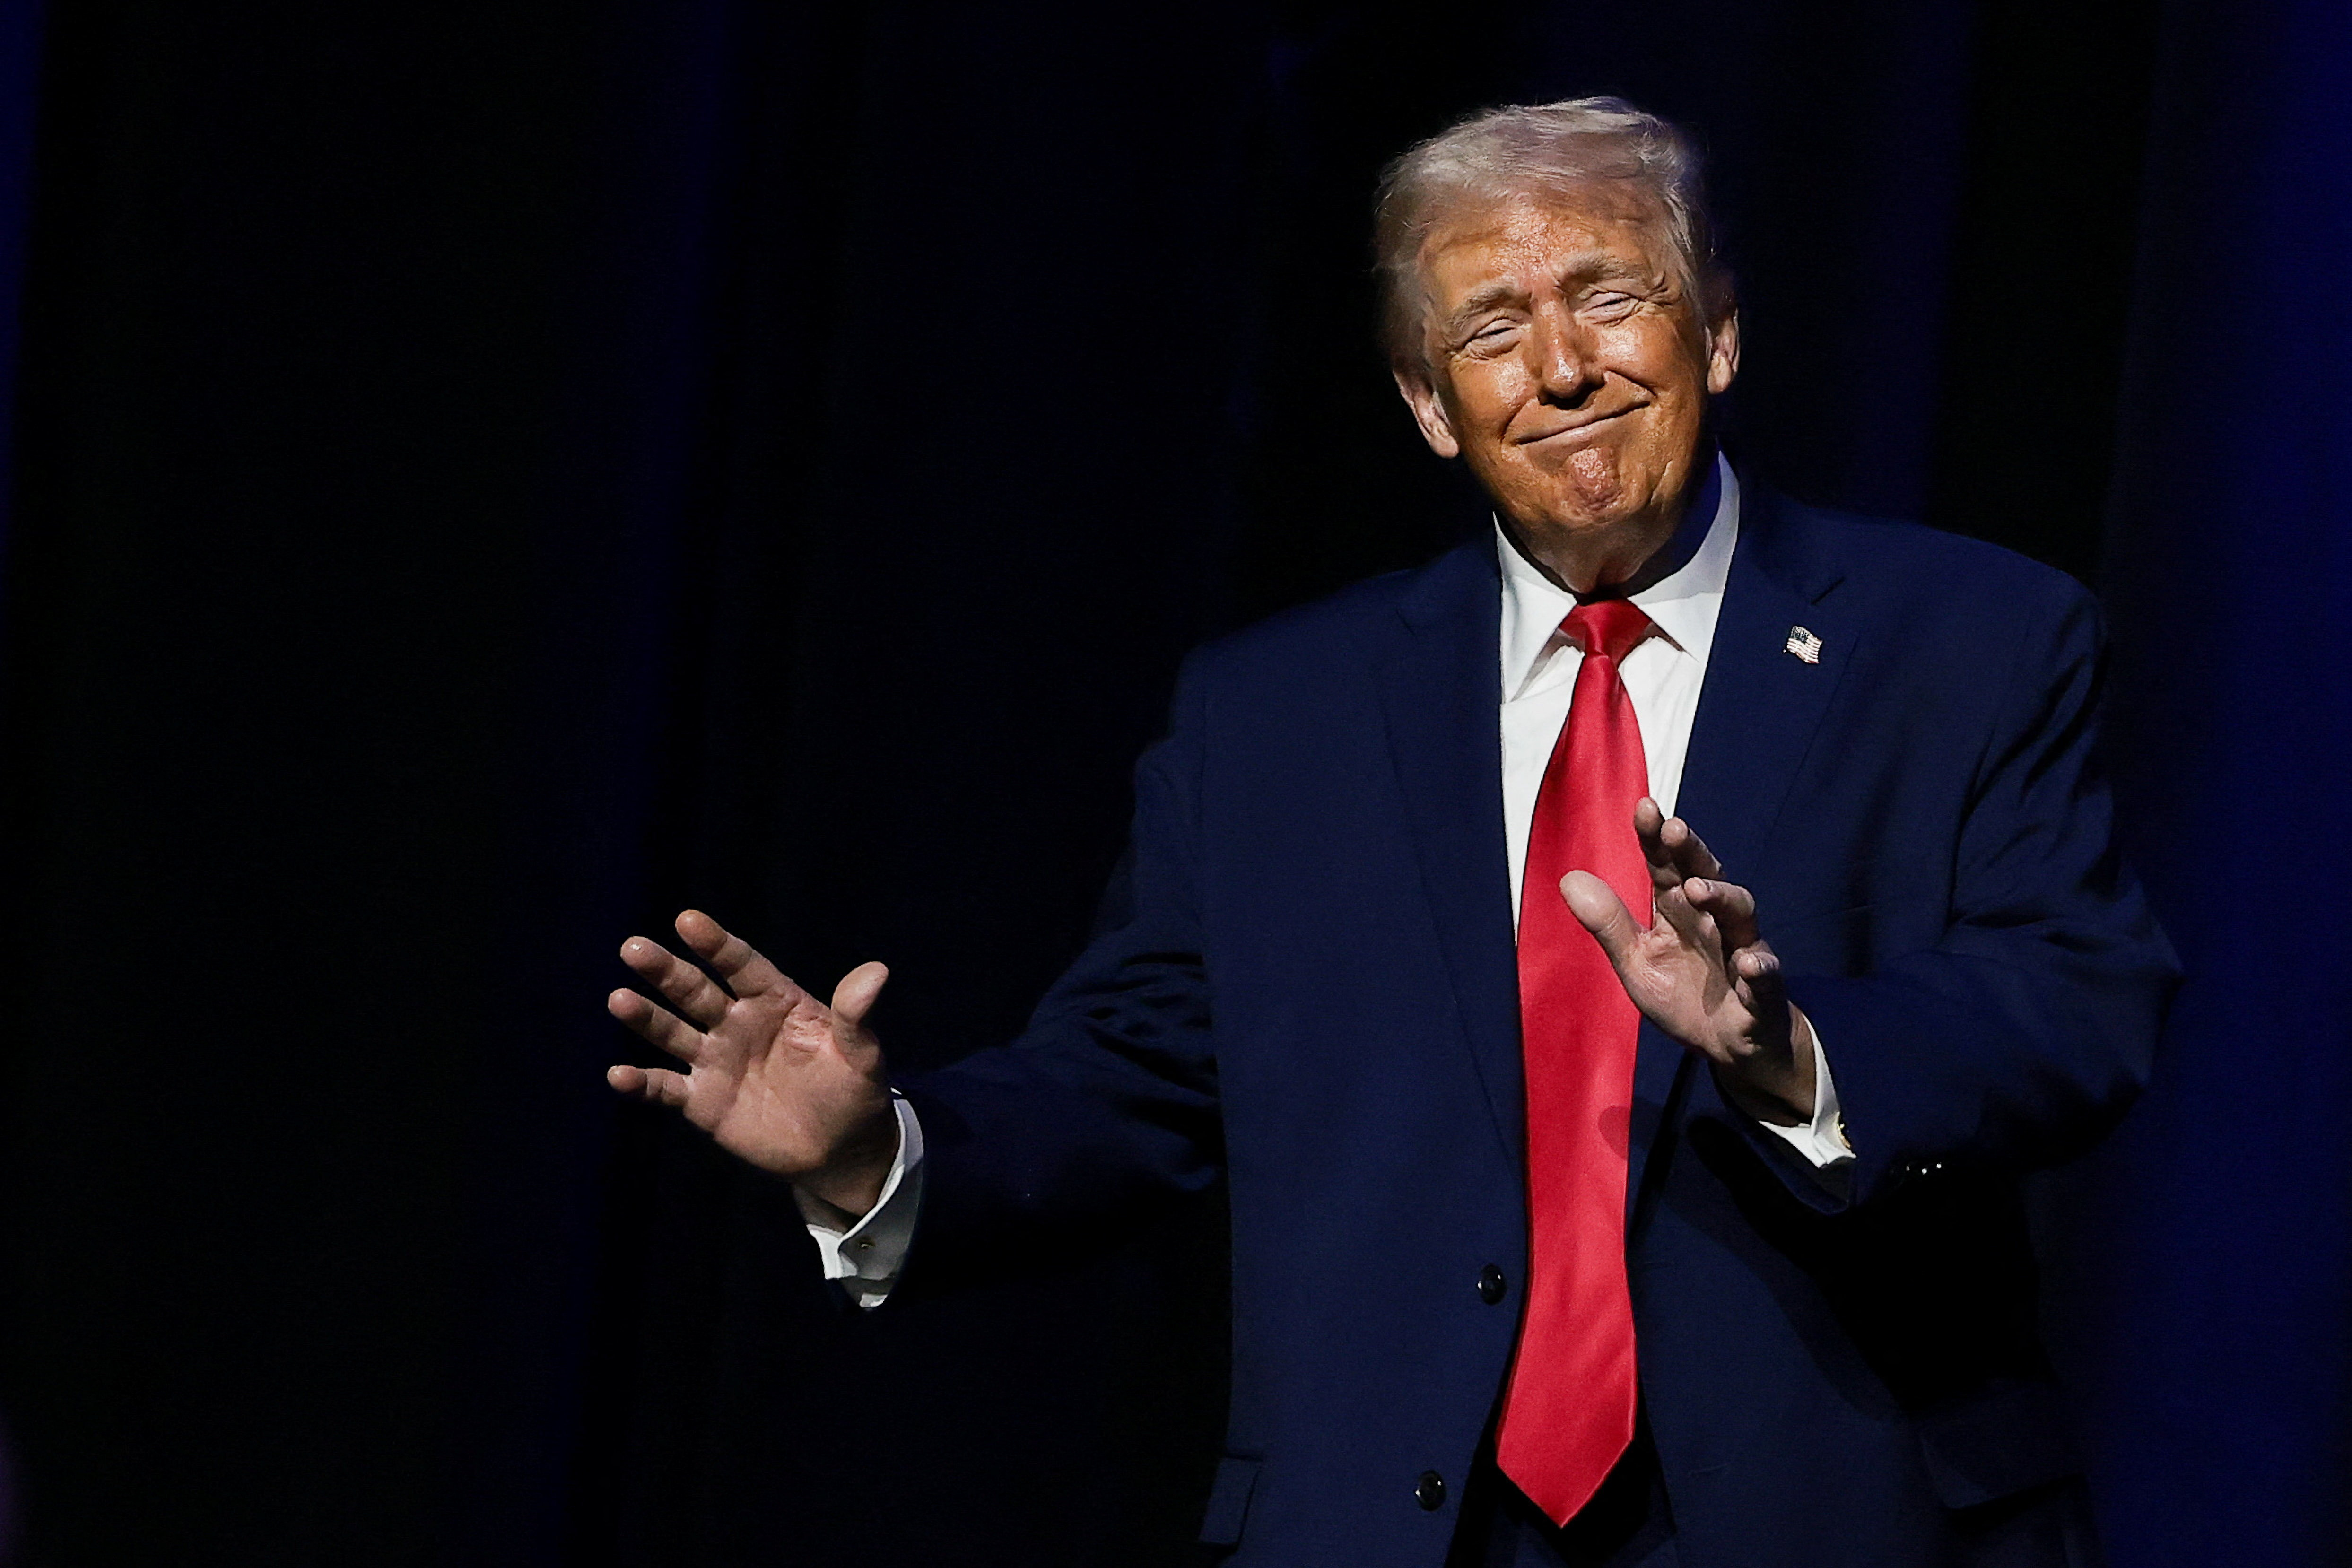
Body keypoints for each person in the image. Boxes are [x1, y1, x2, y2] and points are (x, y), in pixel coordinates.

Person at [604, 98, 2175, 1567]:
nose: (1561, 369)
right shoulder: (1274, 716)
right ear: (1431, 407)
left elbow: (2076, 1001)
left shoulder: (1970, 637)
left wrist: (1793, 1051)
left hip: (1841, 1512)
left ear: (1720, 332)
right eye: (1492, 330)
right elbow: (1134, 1074)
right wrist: (880, 1150)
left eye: (1610, 297)